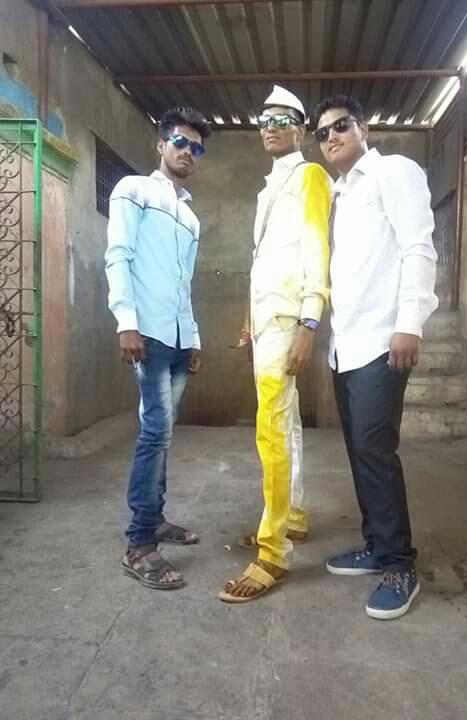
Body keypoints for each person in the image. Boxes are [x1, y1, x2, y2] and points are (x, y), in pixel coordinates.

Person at [313, 94, 438, 619]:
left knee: (375, 452)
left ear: (362, 127)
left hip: (383, 341)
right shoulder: (341, 193)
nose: (332, 137)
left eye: (341, 125)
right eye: (322, 132)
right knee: (360, 452)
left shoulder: (394, 172)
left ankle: (400, 565)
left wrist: (410, 323)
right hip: (347, 345)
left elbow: (418, 247)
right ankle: (376, 545)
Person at [219, 86, 332, 603]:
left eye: (282, 120)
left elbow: (316, 250)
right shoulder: (270, 188)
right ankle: (293, 519)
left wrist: (310, 323)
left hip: (289, 319)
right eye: (264, 120)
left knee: (272, 432)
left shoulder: (310, 176)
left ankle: (273, 552)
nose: (270, 127)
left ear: (301, 129)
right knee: (286, 426)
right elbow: (265, 261)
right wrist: (250, 320)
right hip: (267, 321)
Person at [105, 106, 210, 590]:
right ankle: (139, 544)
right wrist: (127, 323)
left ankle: (156, 518)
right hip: (145, 334)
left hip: (178, 339)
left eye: (197, 148)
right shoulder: (134, 190)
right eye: (180, 142)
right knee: (154, 434)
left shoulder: (190, 217)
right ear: (162, 145)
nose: (188, 152)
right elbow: (118, 256)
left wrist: (194, 337)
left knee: (163, 434)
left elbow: (184, 282)